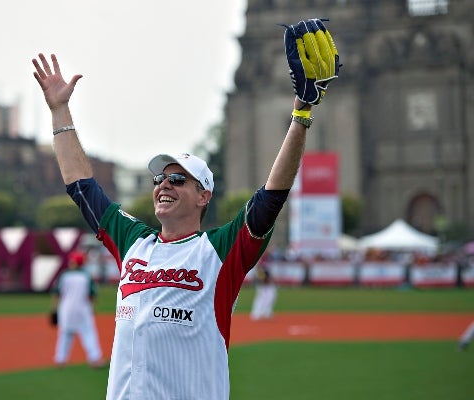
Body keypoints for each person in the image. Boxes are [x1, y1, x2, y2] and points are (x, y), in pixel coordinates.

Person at [32, 18, 338, 399]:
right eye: (160, 178)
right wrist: (60, 111)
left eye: (178, 179)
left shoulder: (220, 250)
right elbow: (82, 188)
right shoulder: (133, 242)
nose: (164, 184)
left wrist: (301, 116)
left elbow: (272, 195)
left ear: (203, 195)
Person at [50, 250, 106, 368]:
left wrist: (53, 309)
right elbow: (92, 295)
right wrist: (93, 307)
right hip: (82, 310)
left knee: (65, 334)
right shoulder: (86, 276)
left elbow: (56, 293)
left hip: (66, 310)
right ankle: (94, 358)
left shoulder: (64, 275)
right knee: (88, 333)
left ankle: (60, 359)